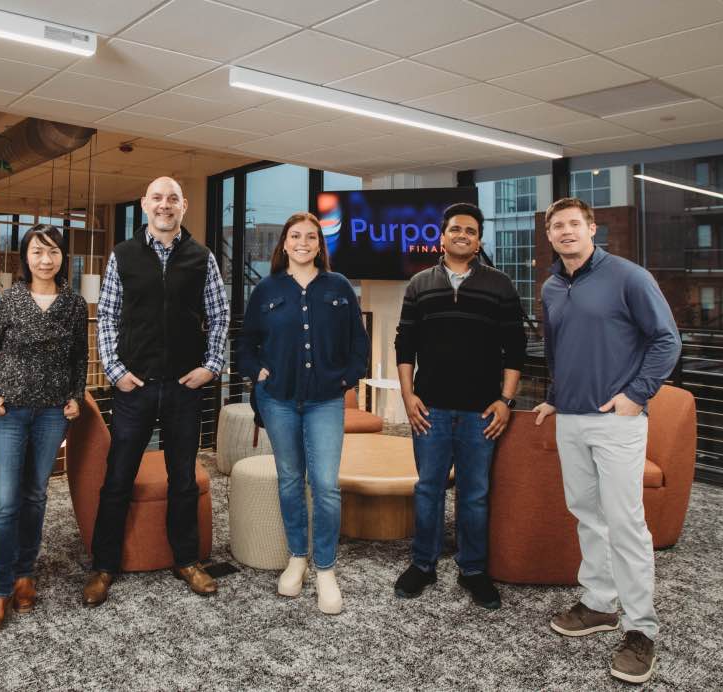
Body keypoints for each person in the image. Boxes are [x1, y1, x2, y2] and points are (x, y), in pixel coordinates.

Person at [533, 197, 680, 685]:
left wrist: (636, 396)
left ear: (592, 229)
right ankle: (600, 603)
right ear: (550, 236)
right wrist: (555, 396)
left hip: (617, 420)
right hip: (570, 418)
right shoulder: (552, 286)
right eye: (558, 226)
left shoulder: (629, 277)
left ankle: (642, 629)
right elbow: (558, 351)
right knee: (587, 514)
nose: (567, 232)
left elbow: (666, 341)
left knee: (625, 522)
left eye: (575, 224)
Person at [83, 176, 230, 606]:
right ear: (145, 204)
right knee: (117, 479)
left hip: (185, 387)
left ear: (183, 206)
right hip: (135, 387)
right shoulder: (123, 255)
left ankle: (186, 560)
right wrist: (114, 370)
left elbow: (219, 315)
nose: (165, 205)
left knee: (182, 478)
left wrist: (211, 367)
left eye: (172, 199)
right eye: (157, 198)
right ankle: (104, 564)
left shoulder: (202, 257)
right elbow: (107, 316)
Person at [392, 202, 526, 610]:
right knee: (428, 489)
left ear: (479, 239)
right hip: (429, 408)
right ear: (442, 236)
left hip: (481, 413)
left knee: (474, 494)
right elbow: (405, 344)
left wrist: (506, 400)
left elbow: (516, 349)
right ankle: (423, 564)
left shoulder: (500, 285)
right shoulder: (419, 284)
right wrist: (407, 395)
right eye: (455, 229)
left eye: (470, 230)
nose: (462, 235)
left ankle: (473, 570)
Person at [239, 212, 369, 615]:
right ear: (284, 243)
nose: (302, 242)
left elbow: (358, 345)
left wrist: (345, 379)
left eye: (310, 237)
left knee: (326, 486)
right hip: (278, 400)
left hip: (325, 402)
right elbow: (247, 344)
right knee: (291, 481)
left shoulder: (339, 286)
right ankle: (298, 557)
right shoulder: (266, 290)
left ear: (319, 245)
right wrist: (256, 371)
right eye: (294, 236)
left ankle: (325, 568)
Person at [0, 225, 88, 636]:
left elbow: (79, 356)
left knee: (36, 495)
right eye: (37, 252)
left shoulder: (73, 305)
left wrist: (77, 393)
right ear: (25, 258)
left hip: (52, 413)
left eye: (53, 252)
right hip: (8, 413)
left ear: (62, 258)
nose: (45, 259)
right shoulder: (7, 301)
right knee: (5, 502)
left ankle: (25, 574)